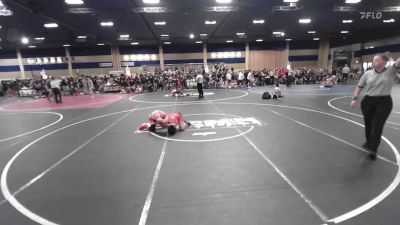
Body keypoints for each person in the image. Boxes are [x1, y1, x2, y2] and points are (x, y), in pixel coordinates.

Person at [351, 53, 400, 160]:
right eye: (373, 60)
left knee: (377, 125)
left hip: (384, 102)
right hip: (368, 101)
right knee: (368, 124)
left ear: (384, 62)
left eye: (377, 60)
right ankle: (368, 142)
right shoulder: (367, 74)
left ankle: (373, 149)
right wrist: (355, 99)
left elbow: (398, 62)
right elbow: (359, 86)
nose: (374, 62)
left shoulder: (390, 71)